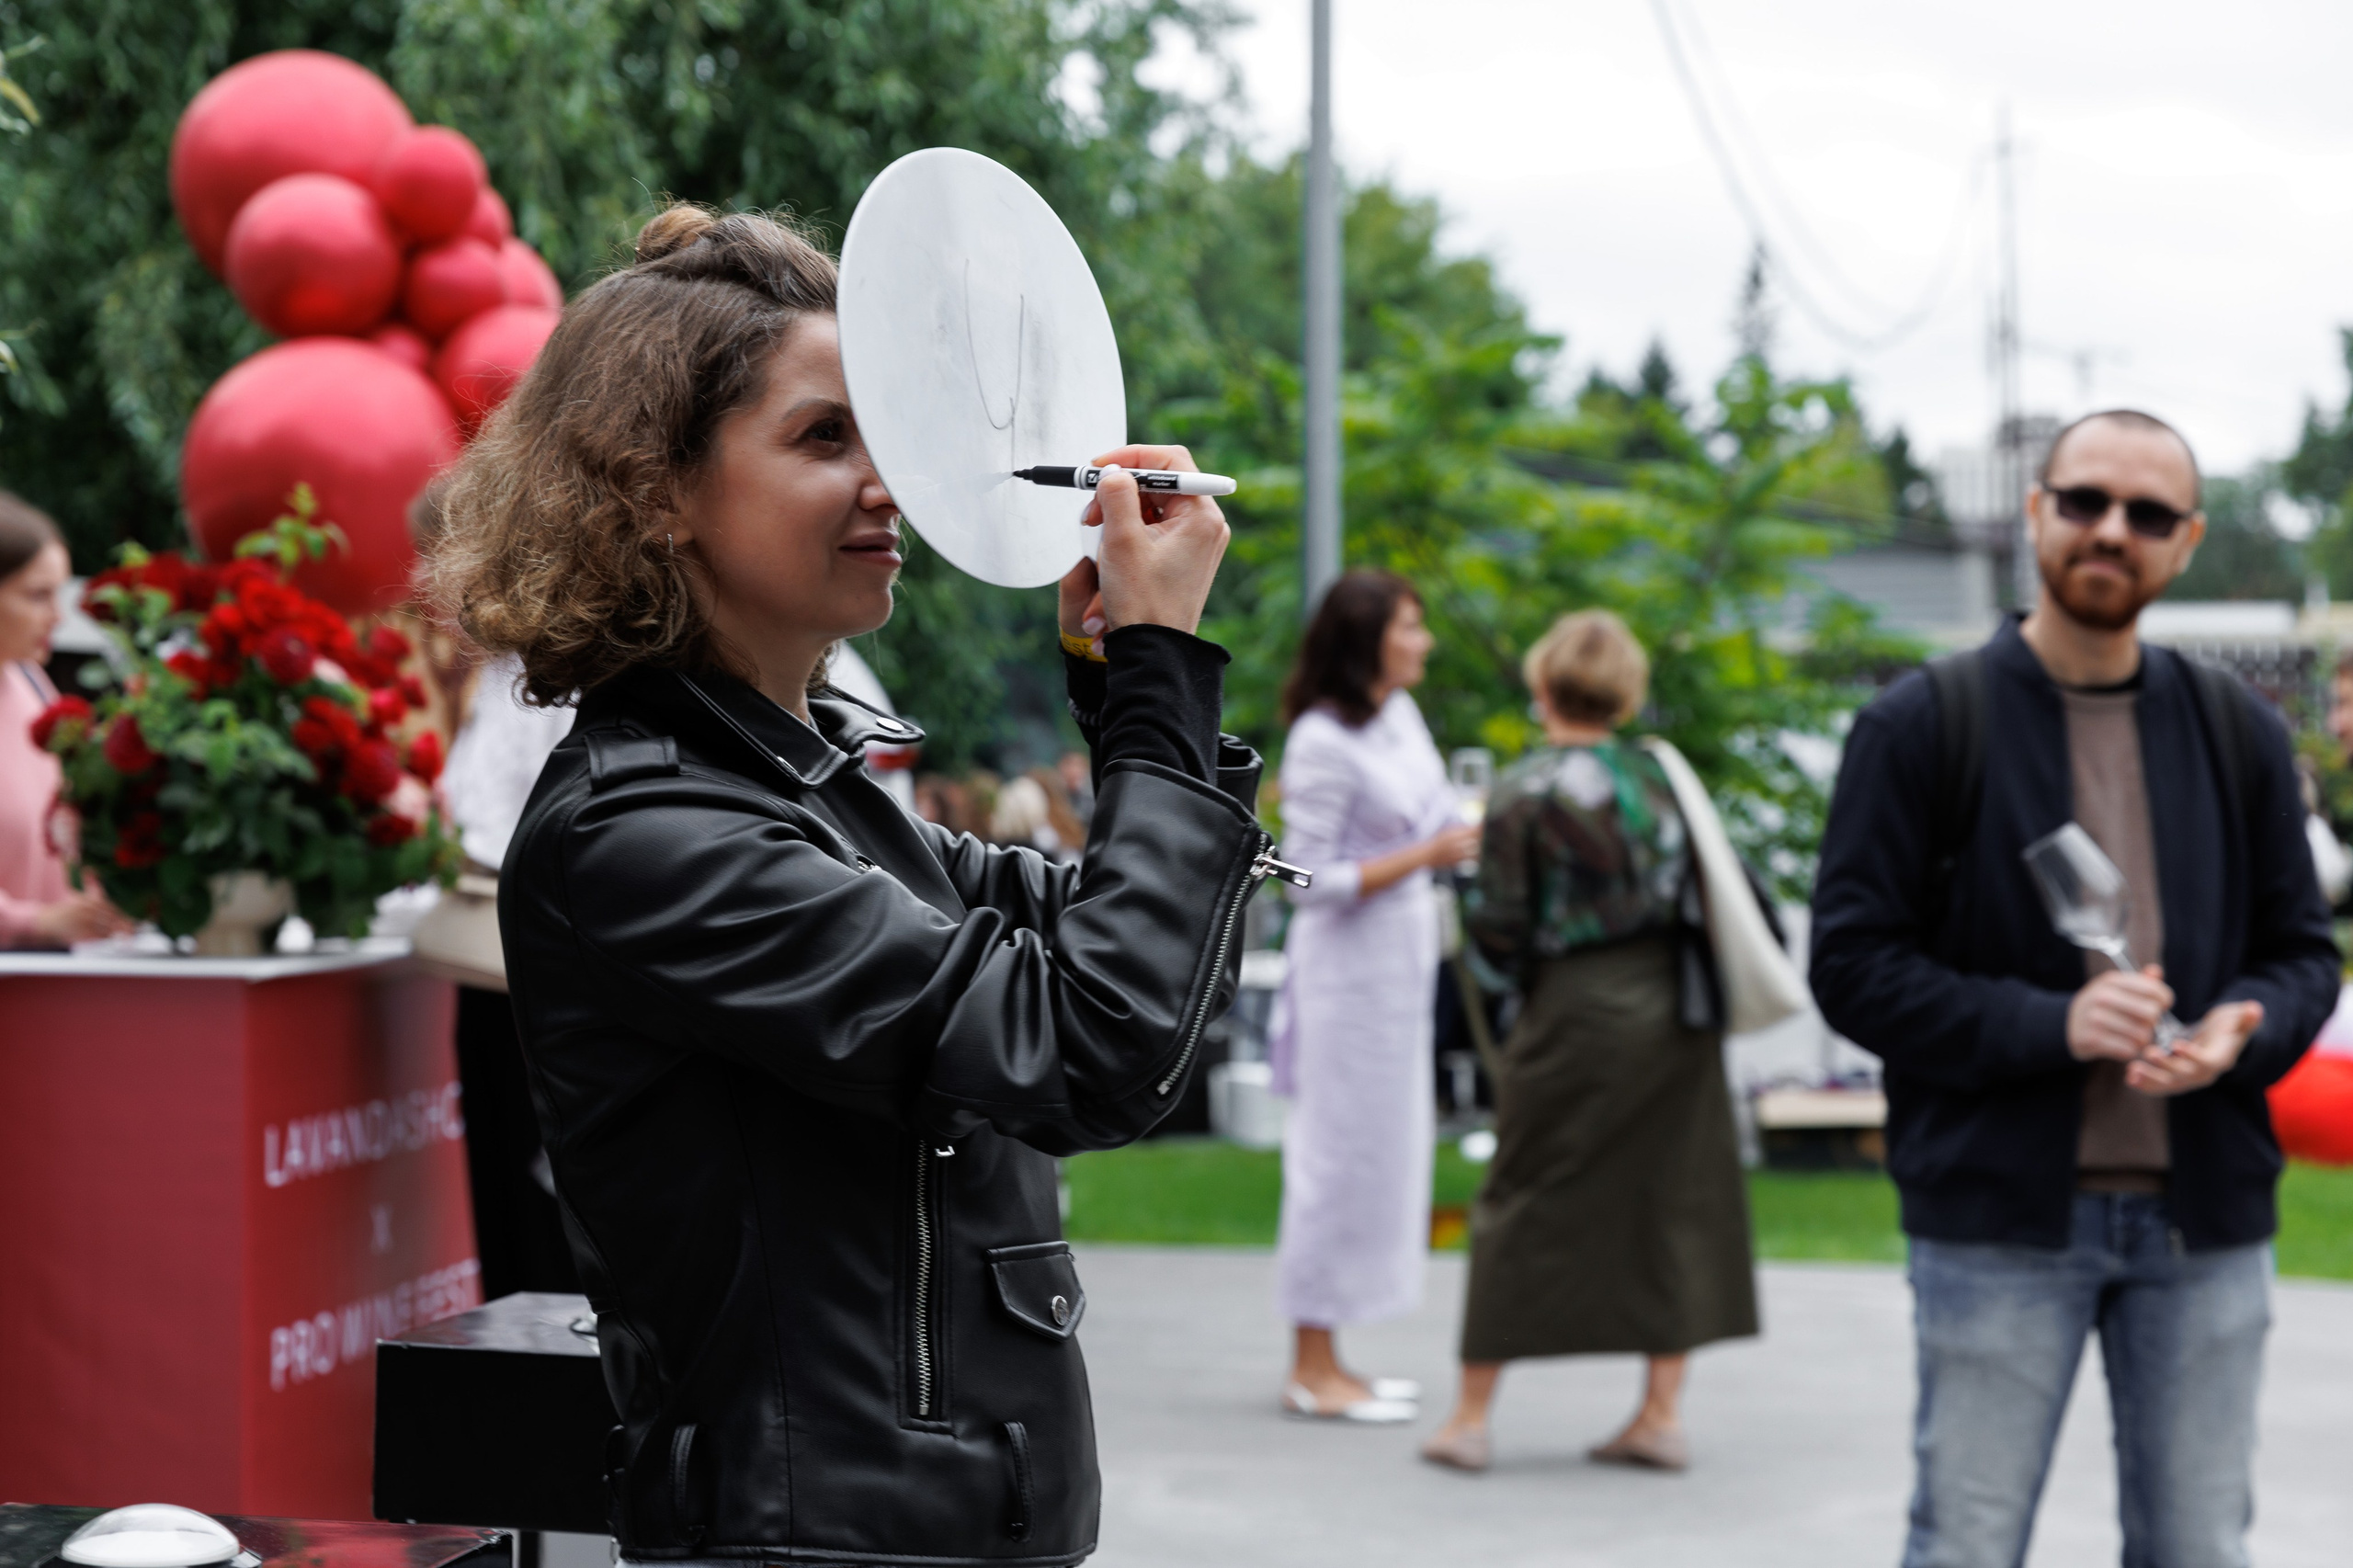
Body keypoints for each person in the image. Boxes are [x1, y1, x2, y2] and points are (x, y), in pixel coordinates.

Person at [430, 206, 1254, 1567]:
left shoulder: (793, 783)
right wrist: (1160, 672)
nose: (893, 485)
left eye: (890, 435)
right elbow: (1094, 1045)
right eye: (825, 438)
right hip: (821, 1538)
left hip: (921, 1523)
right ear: (655, 490)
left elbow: (1136, 970)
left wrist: (1124, 687)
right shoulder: (649, 833)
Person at [1810, 409, 2339, 1568]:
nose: (2113, 530)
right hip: (1997, 1216)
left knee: (2199, 1545)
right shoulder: (1921, 723)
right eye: (2087, 500)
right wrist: (2048, 1023)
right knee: (1966, 1542)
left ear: (2187, 541)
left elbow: (2304, 953)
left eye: (2147, 514)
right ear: (2036, 510)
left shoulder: (2236, 734)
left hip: (2204, 1218)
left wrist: (2244, 1030)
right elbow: (1850, 966)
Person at [1421, 610, 1756, 1474]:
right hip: (1677, 1011)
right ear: (1627, 689)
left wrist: (1501, 987)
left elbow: (1497, 930)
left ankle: (1470, 1418)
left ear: (1543, 686)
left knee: (1522, 1193)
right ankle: (1661, 1414)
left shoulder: (1524, 789)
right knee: (1675, 1199)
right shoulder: (1662, 777)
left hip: (1572, 1008)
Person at [1270, 570, 1480, 1422]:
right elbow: (1304, 881)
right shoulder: (1321, 740)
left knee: (1384, 1169)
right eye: (1410, 625)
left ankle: (1340, 1355)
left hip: (1399, 976)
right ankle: (1311, 1365)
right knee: (1333, 1166)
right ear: (1367, 638)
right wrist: (1425, 858)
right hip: (1346, 985)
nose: (1424, 640)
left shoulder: (1399, 715)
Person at [0, 493, 131, 949]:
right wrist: (34, 923)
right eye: (37, 596)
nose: (58, 617)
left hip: (49, 988)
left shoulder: (31, 683)